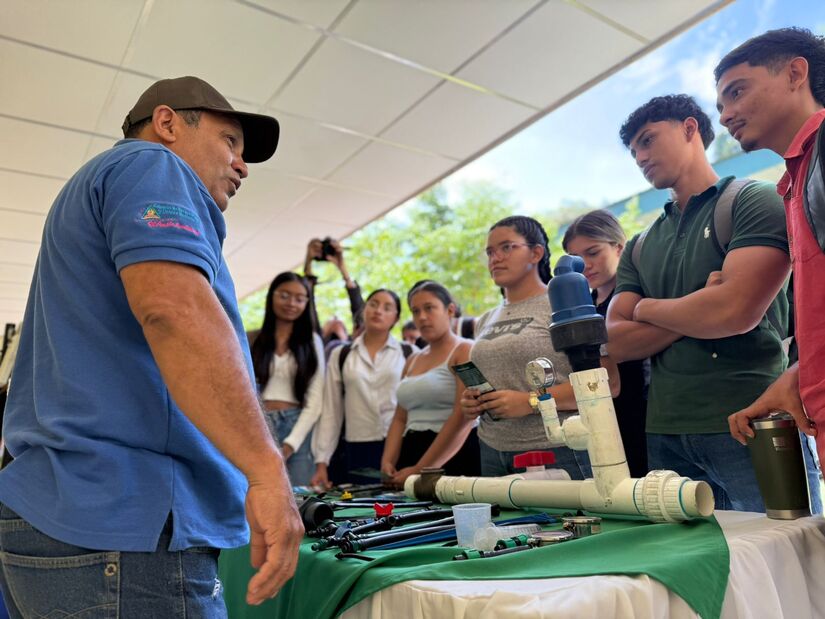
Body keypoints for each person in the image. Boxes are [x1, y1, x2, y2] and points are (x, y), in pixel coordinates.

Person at [0, 76, 303, 615]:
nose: (243, 165)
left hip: (62, 515)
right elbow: (174, 310)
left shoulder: (90, 191)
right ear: (166, 124)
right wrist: (266, 469)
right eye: (229, 141)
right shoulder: (151, 165)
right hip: (126, 528)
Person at [607, 93, 821, 513]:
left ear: (690, 130)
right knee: (696, 573)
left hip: (751, 422)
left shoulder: (753, 200)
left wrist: (646, 307)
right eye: (634, 152)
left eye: (648, 141)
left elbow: (735, 313)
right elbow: (613, 341)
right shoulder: (638, 244)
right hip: (664, 433)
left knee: (791, 563)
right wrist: (703, 304)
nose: (641, 157)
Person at [715, 29, 825, 471]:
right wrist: (799, 378)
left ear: (796, 73)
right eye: (720, 105)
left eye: (736, 92)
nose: (725, 116)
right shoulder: (796, 178)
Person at [460, 215, 620, 479]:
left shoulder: (563, 301)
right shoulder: (485, 320)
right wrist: (472, 403)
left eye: (506, 247)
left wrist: (531, 401)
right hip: (491, 450)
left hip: (558, 450)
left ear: (536, 253)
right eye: (490, 251)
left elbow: (608, 383)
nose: (495, 258)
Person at [563, 210, 650, 477]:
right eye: (575, 258)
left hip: (643, 417)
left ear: (619, 248)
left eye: (593, 252)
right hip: (599, 424)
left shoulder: (640, 293)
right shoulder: (580, 305)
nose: (584, 265)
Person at [381, 281, 480, 488]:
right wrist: (387, 461)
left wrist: (421, 469)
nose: (422, 317)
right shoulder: (412, 360)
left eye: (429, 308)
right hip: (411, 457)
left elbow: (463, 416)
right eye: (416, 311)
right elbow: (400, 417)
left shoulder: (465, 350)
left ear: (450, 310)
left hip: (452, 457)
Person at [310, 289, 413, 488]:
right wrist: (322, 462)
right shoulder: (342, 354)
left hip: (401, 445)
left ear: (396, 318)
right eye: (373, 304)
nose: (378, 311)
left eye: (387, 307)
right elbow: (331, 411)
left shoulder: (409, 353)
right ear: (364, 309)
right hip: (357, 447)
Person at [249, 272, 325, 486]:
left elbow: (315, 402)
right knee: (256, 498)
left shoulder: (312, 341)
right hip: (260, 425)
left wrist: (290, 445)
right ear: (271, 295)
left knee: (299, 502)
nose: (291, 303)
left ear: (307, 303)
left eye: (299, 298)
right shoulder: (252, 339)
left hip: (298, 428)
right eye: (284, 295)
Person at [303, 237, 364, 342]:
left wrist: (342, 267)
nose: (335, 318)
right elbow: (308, 311)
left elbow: (361, 321)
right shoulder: (317, 346)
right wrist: (308, 262)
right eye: (330, 320)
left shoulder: (355, 345)